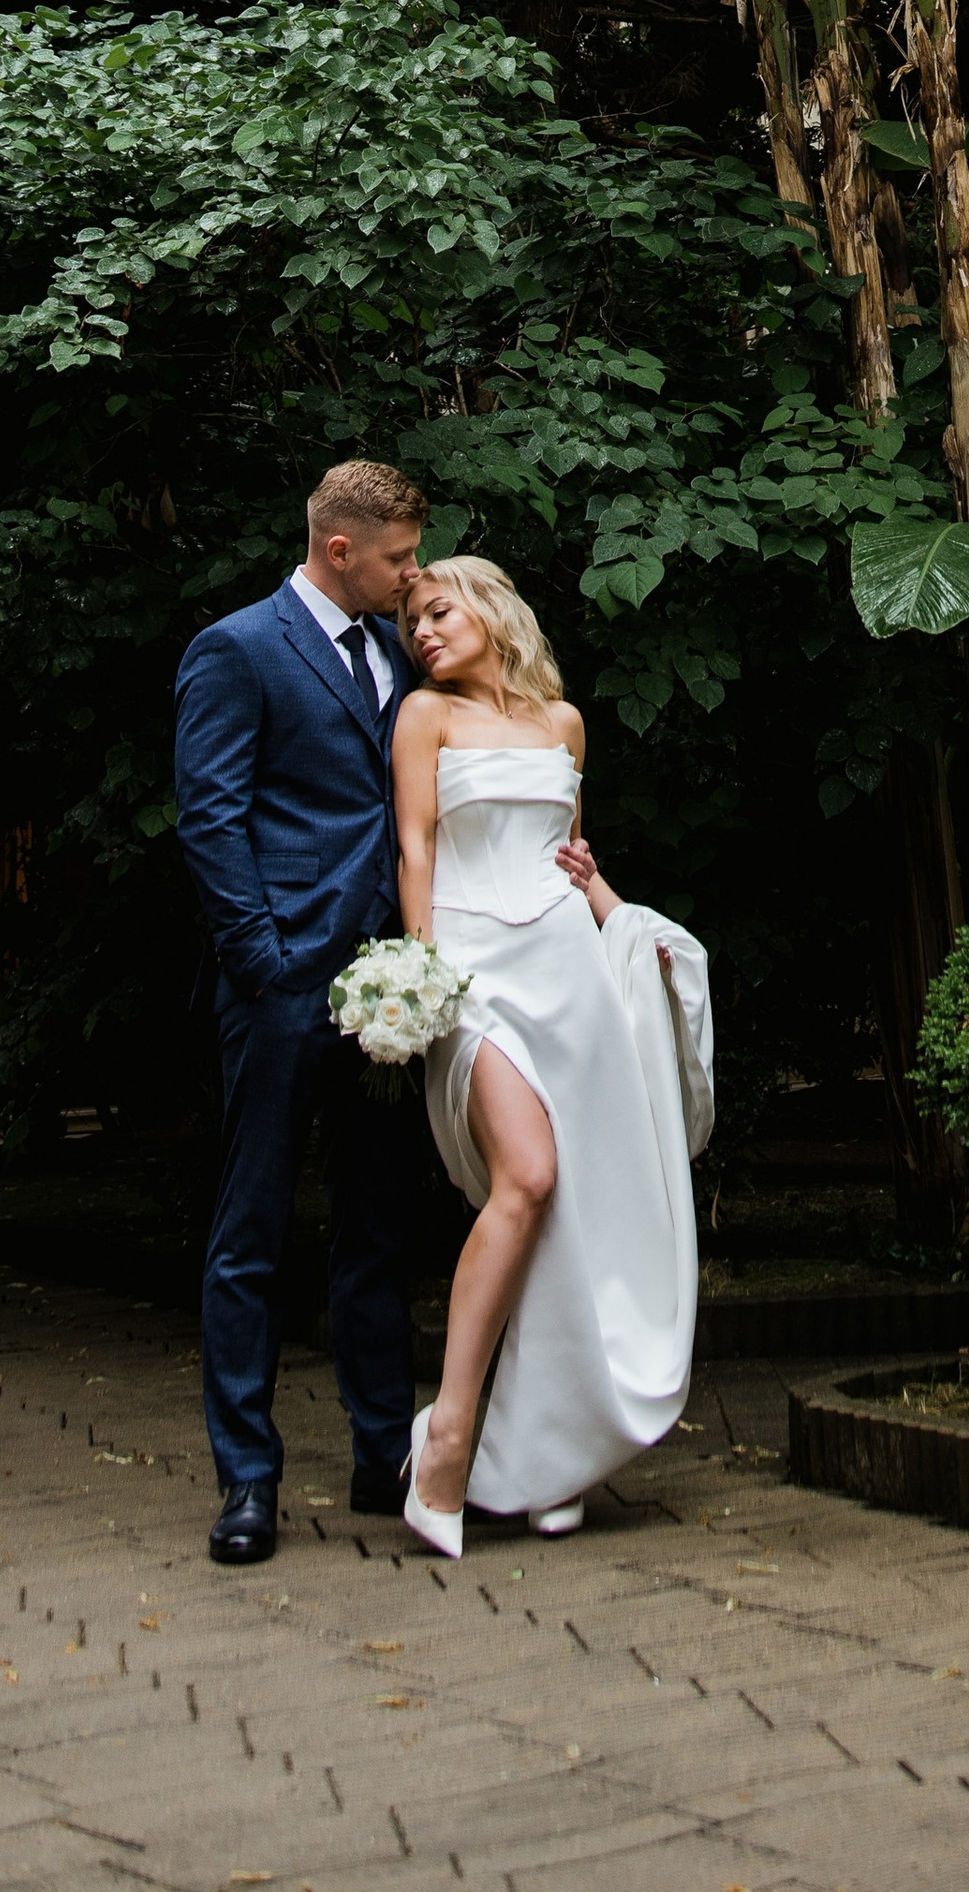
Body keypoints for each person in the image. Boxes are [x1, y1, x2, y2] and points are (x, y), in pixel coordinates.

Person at [389, 553, 712, 1554]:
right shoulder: (422, 719)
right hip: (476, 974)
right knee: (523, 1179)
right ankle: (446, 1437)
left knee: (566, 1210)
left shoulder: (564, 724)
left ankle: (550, 1453)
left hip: (566, 971)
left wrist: (616, 908)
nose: (424, 635)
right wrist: (424, 980)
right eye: (411, 626)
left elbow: (571, 858)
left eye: (437, 613)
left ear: (490, 609)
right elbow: (415, 850)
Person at [174, 458, 431, 1568]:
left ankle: (384, 1455)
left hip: (389, 994)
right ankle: (248, 1479)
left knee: (378, 1228)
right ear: (340, 551)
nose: (411, 575)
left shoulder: (394, 655)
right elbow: (211, 817)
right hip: (280, 988)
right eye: (399, 557)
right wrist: (267, 964)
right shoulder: (237, 649)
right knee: (253, 1234)